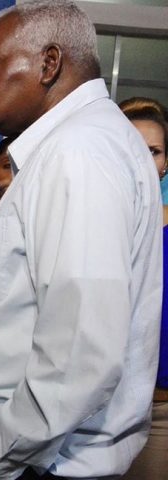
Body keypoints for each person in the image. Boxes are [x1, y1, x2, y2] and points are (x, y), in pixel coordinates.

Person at [0, 2, 162, 479]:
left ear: (49, 63)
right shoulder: (75, 145)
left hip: (41, 464)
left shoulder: (79, 154)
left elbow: (77, 357)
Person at [119, 96, 168, 480]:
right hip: (89, 402)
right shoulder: (88, 222)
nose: (143, 159)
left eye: (153, 151)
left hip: (159, 406)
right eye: (133, 147)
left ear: (166, 164)